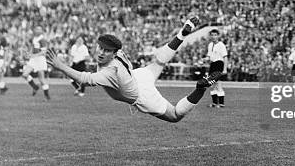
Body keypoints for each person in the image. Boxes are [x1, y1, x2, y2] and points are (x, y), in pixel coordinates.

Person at [46, 16, 222, 122]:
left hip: (140, 93)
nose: (101, 52)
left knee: (175, 115)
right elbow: (114, 48)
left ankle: (200, 88)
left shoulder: (110, 72)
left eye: (106, 51)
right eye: (100, 48)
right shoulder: (119, 52)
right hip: (138, 75)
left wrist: (60, 65)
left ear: (115, 53)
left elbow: (85, 79)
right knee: (158, 62)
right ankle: (182, 34)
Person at [22, 25, 51, 99]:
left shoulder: (42, 40)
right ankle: (35, 87)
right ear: (34, 30)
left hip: (40, 59)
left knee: (41, 80)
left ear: (41, 31)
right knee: (25, 74)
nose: (38, 30)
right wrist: (29, 54)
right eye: (36, 29)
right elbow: (33, 47)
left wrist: (34, 55)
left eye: (39, 29)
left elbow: (44, 52)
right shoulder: (34, 38)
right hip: (34, 60)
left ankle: (47, 96)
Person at [206, 28, 228, 108]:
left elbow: (225, 57)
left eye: (215, 35)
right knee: (212, 84)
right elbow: (209, 56)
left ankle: (221, 103)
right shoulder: (210, 45)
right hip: (212, 65)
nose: (214, 37)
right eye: (212, 35)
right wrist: (204, 59)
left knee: (218, 84)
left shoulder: (221, 45)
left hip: (219, 64)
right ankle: (214, 103)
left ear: (218, 36)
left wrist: (225, 69)